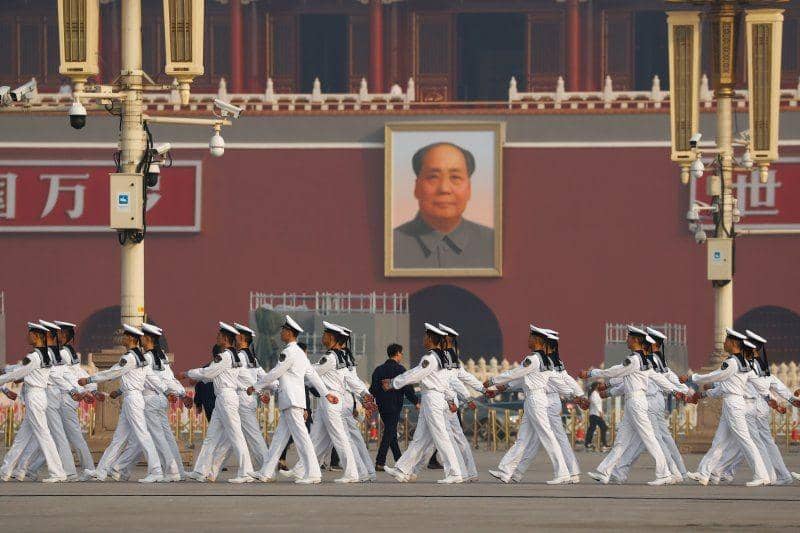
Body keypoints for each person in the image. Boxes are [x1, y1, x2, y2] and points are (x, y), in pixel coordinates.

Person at [249, 315, 338, 483]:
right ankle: (266, 472)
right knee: (279, 439)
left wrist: (256, 386)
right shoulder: (300, 353)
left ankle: (313, 474)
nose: (281, 333)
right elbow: (312, 375)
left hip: (291, 401)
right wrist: (326, 393)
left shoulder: (288, 352)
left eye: (283, 330)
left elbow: (276, 372)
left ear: (289, 333)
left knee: (302, 438)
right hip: (292, 401)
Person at [581, 326, 673, 486]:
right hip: (633, 402)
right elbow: (629, 378)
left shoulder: (634, 360)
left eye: (629, 337)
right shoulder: (640, 358)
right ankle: (604, 472)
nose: (626, 340)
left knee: (649, 438)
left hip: (637, 401)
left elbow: (615, 371)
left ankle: (664, 473)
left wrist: (591, 373)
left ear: (636, 340)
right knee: (621, 441)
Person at [79, 324, 166, 483]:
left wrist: (90, 379)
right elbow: (150, 378)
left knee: (143, 435)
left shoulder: (130, 357)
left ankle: (156, 471)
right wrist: (168, 391)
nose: (123, 338)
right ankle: (101, 471)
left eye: (125, 336)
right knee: (118, 439)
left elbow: (114, 372)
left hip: (133, 400)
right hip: (131, 399)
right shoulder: (139, 357)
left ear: (132, 338)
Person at [485, 325, 571, 485]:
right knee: (523, 439)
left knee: (547, 436)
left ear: (537, 340)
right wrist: (499, 388)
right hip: (534, 399)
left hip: (535, 400)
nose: (528, 340)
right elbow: (522, 379)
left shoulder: (532, 359)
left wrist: (492, 381)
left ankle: (563, 472)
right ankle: (506, 471)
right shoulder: (544, 359)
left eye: (530, 337)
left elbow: (514, 374)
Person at [685, 328, 772, 487]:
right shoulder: (743, 362)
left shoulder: (731, 363)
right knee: (719, 441)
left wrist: (693, 378)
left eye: (725, 341)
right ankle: (705, 473)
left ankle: (762, 475)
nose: (723, 343)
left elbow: (715, 376)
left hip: (734, 404)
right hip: (732, 402)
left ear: (732, 343)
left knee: (745, 441)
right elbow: (726, 387)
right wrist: (704, 395)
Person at [383, 323, 465, 484]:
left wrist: (393, 383)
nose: (423, 339)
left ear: (430, 339)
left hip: (432, 400)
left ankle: (455, 473)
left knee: (441, 437)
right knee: (419, 439)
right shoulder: (441, 357)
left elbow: (415, 374)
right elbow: (444, 382)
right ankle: (403, 470)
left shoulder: (430, 358)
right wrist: (449, 399)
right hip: (434, 398)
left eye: (425, 337)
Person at [393, 142, 494, 269]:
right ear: (417, 187)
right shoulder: (390, 245)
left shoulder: (494, 244)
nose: (444, 188)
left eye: (455, 177)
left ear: (469, 189)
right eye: (433, 177)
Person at [110, 323, 187, 482]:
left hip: (148, 399)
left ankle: (170, 471)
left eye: (143, 337)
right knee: (157, 437)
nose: (141, 340)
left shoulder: (144, 357)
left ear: (148, 339)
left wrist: (118, 391)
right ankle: (121, 468)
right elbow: (169, 379)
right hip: (160, 399)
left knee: (149, 438)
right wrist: (180, 392)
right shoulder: (162, 356)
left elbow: (141, 380)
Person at [181, 322, 255, 484]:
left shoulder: (225, 356)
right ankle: (201, 471)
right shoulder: (233, 355)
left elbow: (208, 373)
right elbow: (212, 376)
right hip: (223, 399)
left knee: (236, 436)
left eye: (219, 336)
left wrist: (186, 373)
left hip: (227, 398)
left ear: (225, 339)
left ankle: (246, 472)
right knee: (211, 437)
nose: (216, 338)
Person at [0, 322, 67, 483]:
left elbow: (18, 372)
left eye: (29, 334)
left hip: (34, 397)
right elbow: (18, 369)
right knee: (22, 438)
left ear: (36, 336)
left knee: (44, 435)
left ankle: (58, 472)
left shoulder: (33, 357)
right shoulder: (45, 355)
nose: (27, 336)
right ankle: (6, 470)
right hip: (38, 396)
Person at [370, 343, 418, 470]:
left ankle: (399, 459)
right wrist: (416, 401)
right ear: (397, 353)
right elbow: (407, 388)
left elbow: (373, 389)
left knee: (390, 432)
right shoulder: (400, 370)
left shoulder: (378, 370)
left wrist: (372, 401)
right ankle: (380, 461)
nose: (402, 355)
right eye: (401, 353)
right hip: (395, 404)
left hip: (382, 405)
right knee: (389, 432)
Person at [585, 382, 608, 451]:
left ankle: (588, 443)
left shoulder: (596, 394)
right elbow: (595, 403)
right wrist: (600, 412)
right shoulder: (594, 394)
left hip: (595, 414)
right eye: (600, 385)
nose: (601, 386)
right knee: (603, 427)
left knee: (592, 429)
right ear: (596, 386)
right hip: (595, 414)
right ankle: (603, 444)